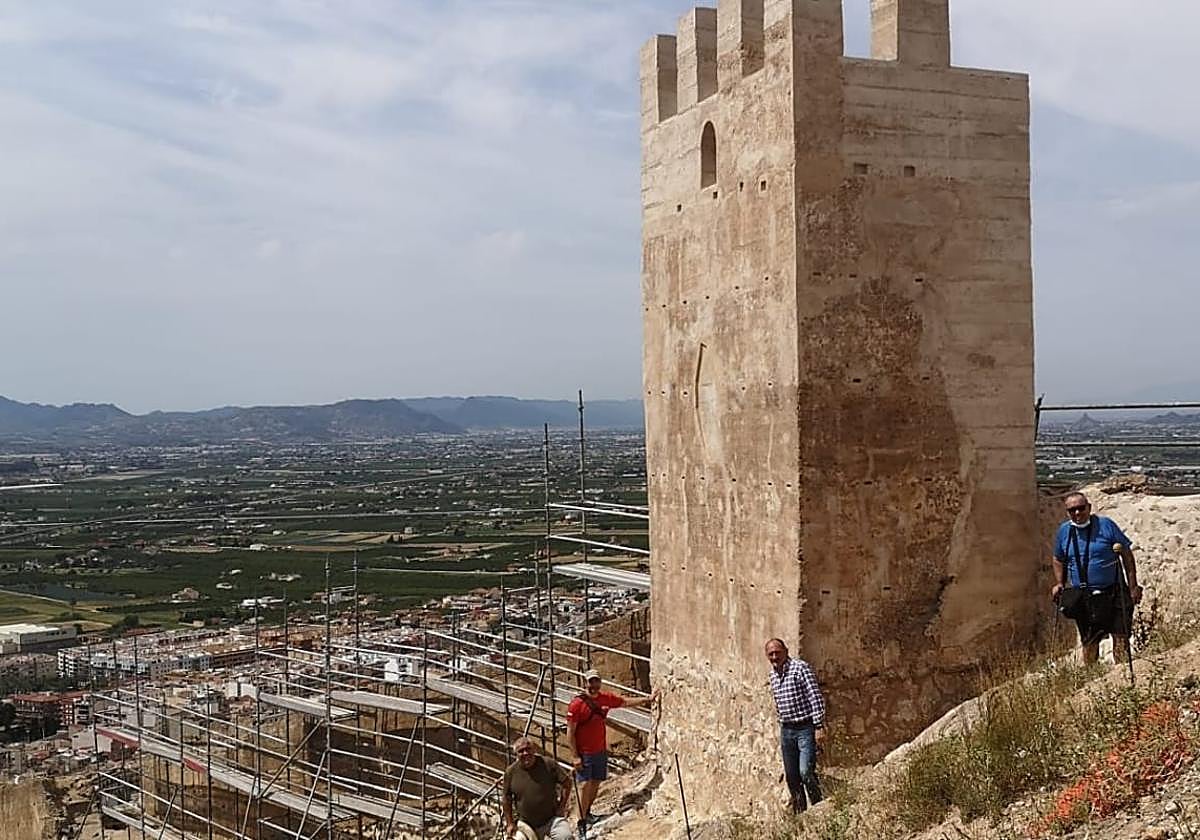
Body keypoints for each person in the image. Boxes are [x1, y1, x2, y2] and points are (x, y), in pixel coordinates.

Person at [1051, 491, 1143, 665]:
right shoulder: (1064, 531)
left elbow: (1126, 555)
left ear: (1089, 508)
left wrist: (1133, 586)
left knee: (1120, 635)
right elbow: (1057, 558)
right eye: (1072, 510)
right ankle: (1091, 679)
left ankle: (1122, 674)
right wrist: (1059, 583)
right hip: (1084, 594)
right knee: (1090, 641)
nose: (1077, 513)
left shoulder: (1106, 525)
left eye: (1081, 508)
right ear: (1067, 512)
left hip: (1114, 589)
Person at [566, 668, 659, 833]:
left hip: (600, 751)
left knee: (595, 783)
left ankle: (587, 814)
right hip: (585, 753)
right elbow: (570, 732)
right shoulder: (577, 704)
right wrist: (575, 756)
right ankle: (580, 823)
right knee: (584, 785)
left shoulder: (604, 698)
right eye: (590, 681)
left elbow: (623, 702)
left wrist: (647, 699)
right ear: (585, 683)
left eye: (596, 681)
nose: (593, 684)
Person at [764, 638, 825, 813]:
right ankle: (801, 814)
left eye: (777, 652)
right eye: (771, 654)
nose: (775, 656)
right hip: (787, 729)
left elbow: (815, 696)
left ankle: (819, 808)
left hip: (805, 727)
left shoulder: (800, 668)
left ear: (786, 651)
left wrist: (819, 726)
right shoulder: (773, 675)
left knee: (806, 771)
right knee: (792, 776)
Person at [501, 736, 574, 840]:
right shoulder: (510, 772)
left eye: (528, 749)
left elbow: (567, 783)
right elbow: (506, 798)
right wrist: (510, 823)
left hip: (551, 820)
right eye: (521, 751)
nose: (525, 753)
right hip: (525, 824)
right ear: (516, 754)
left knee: (566, 837)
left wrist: (562, 806)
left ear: (534, 749)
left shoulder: (548, 764)